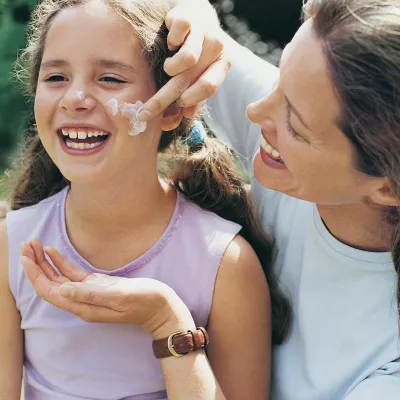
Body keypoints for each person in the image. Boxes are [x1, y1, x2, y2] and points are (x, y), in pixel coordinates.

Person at [24, 0, 400, 398]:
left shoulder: (386, 371)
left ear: (387, 188)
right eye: (278, 85)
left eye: (295, 124)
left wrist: (169, 326)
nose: (255, 111)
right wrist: (196, 18)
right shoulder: (310, 99)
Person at [0, 0, 292, 399]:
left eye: (109, 78)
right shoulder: (10, 245)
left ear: (173, 108)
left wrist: (168, 326)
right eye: (55, 77)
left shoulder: (225, 265)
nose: (75, 97)